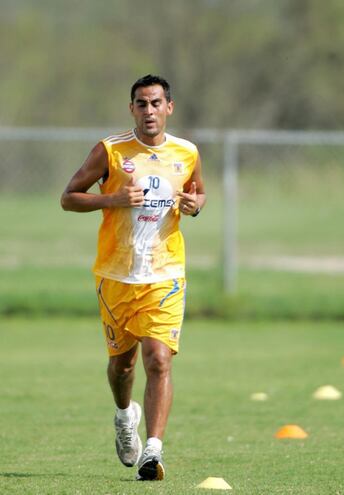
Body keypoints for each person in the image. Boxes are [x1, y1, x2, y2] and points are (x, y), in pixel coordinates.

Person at [61, 74, 206, 481]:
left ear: (169, 108)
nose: (149, 111)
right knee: (122, 367)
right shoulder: (110, 150)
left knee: (158, 359)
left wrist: (196, 205)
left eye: (156, 103)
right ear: (132, 109)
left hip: (165, 274)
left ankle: (153, 450)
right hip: (116, 276)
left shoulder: (187, 152)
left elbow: (198, 194)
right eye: (141, 104)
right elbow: (68, 197)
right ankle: (125, 418)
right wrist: (112, 198)